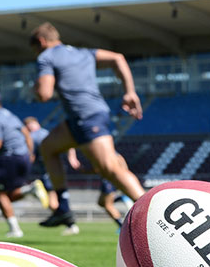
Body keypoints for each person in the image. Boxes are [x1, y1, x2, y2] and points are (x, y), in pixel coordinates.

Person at [29, 22, 145, 227]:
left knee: (110, 169)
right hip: (81, 118)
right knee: (48, 147)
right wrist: (129, 91)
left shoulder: (46, 57)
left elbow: (44, 94)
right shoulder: (84, 53)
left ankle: (151, 209)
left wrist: (35, 88)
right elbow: (118, 58)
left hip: (87, 116)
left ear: (41, 42)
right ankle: (63, 208)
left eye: (36, 48)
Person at [0, 91, 49, 238]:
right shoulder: (9, 115)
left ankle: (15, 229)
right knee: (9, 195)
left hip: (10, 158)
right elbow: (26, 134)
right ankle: (29, 190)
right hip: (24, 158)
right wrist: (30, 153)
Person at [24, 116, 80, 235]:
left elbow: (30, 156)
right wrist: (72, 156)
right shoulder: (48, 133)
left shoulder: (33, 137)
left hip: (48, 171)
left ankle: (68, 220)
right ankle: (68, 222)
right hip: (56, 169)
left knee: (52, 202)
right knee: (55, 200)